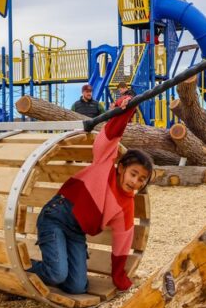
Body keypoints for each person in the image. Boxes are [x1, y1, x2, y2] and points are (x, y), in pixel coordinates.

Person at [27, 94, 153, 294]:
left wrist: (119, 277)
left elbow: (122, 243)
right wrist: (124, 112)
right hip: (57, 217)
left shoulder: (125, 207)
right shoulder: (104, 165)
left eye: (141, 179)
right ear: (121, 168)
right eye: (133, 174)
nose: (135, 182)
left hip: (76, 232)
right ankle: (26, 267)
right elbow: (110, 136)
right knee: (57, 275)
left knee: (77, 287)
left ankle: (54, 267)